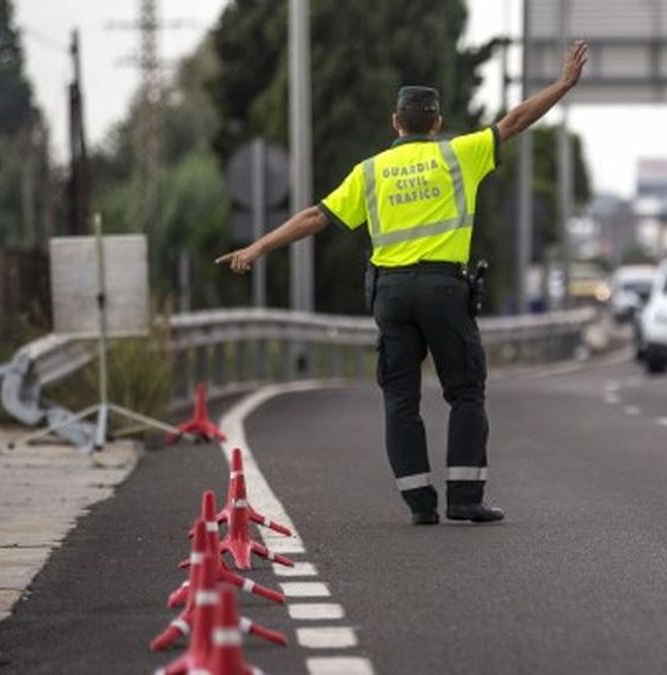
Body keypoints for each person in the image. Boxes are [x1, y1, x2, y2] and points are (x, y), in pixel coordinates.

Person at [216, 40, 590, 525]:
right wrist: (562, 84)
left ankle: (420, 504)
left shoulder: (370, 171)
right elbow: (515, 121)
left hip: (391, 295)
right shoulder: (461, 154)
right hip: (443, 291)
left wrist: (257, 248)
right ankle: (464, 497)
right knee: (465, 392)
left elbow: (314, 217)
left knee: (400, 399)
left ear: (396, 122)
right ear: (436, 123)